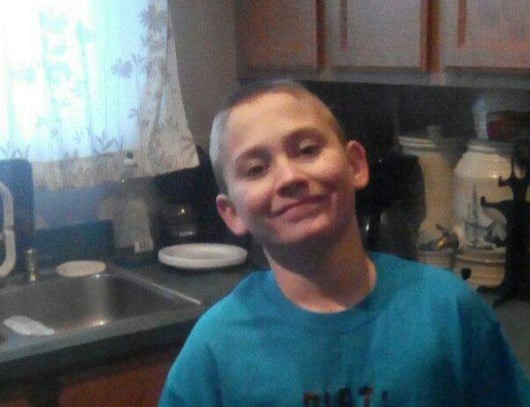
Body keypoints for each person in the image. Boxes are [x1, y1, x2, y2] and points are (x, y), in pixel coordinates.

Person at [158, 80, 530, 406]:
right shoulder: (215, 350)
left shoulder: (450, 312)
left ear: (355, 164)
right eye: (256, 169)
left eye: (307, 149)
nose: (289, 176)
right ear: (231, 213)